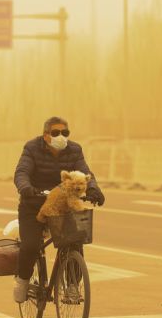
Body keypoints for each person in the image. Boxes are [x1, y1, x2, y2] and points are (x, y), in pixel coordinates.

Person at [12, 116, 105, 303]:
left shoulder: (75, 150)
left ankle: (71, 286)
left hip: (64, 204)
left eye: (65, 133)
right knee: (30, 246)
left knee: (74, 241)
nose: (61, 136)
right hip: (34, 203)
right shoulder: (32, 148)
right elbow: (21, 172)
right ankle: (22, 280)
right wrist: (26, 188)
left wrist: (94, 189)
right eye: (55, 133)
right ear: (46, 135)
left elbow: (85, 172)